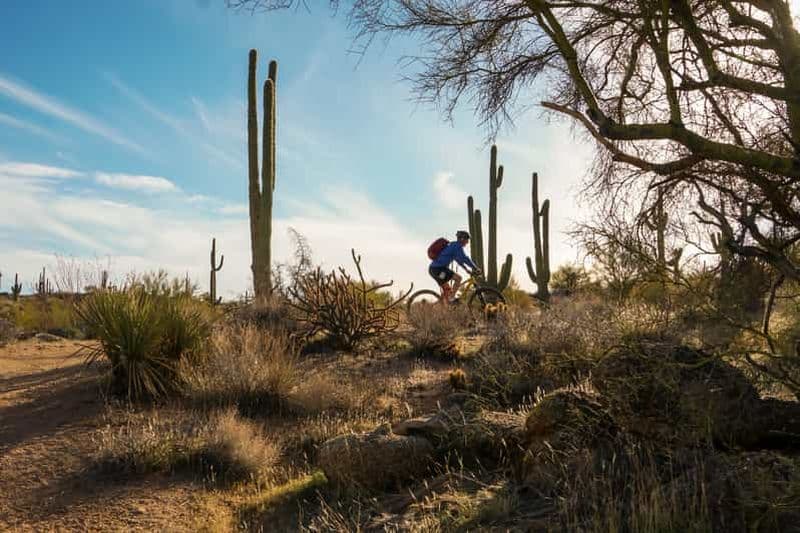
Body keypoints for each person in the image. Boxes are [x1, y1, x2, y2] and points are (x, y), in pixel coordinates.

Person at [429, 230, 481, 303]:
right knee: (458, 278)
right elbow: (465, 258)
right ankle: (451, 298)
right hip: (439, 270)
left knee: (448, 290)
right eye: (467, 239)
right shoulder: (457, 246)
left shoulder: (453, 245)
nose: (467, 242)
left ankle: (442, 305)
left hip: (434, 270)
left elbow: (459, 260)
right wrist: (475, 268)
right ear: (462, 239)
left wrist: (466, 269)